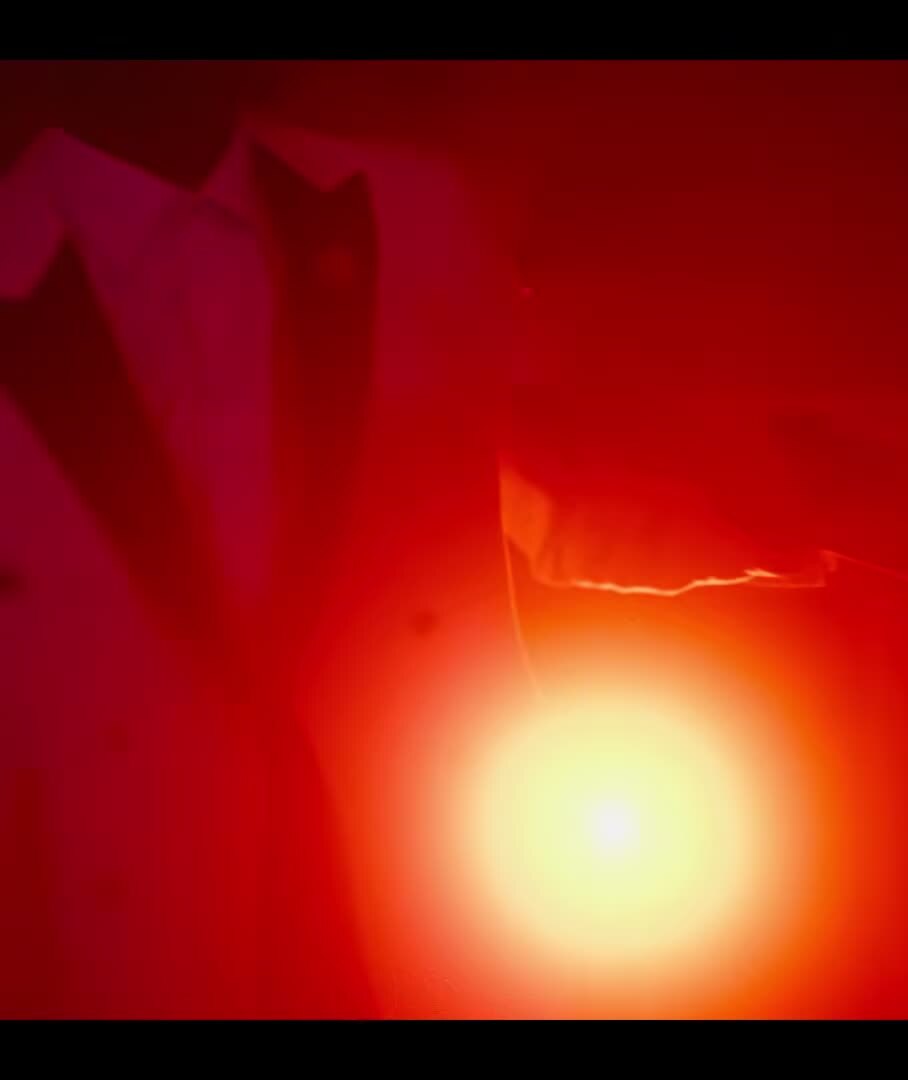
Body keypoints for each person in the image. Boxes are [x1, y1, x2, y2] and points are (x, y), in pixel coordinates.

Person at [0, 61, 547, 1017]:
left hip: (432, 929)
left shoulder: (419, 214)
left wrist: (806, 516)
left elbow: (538, 477)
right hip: (107, 956)